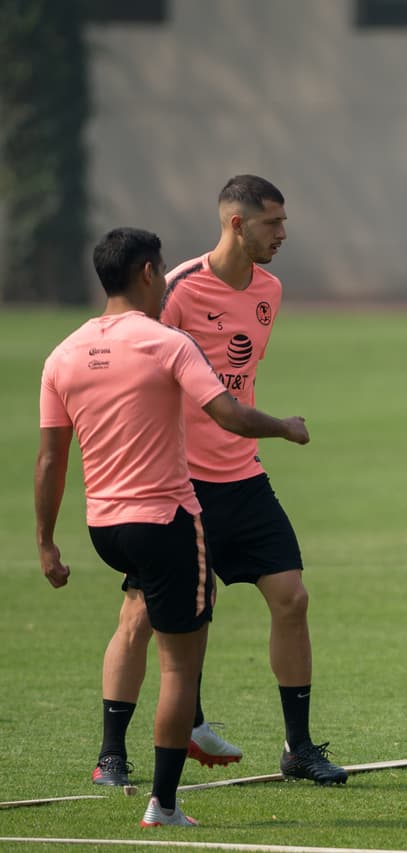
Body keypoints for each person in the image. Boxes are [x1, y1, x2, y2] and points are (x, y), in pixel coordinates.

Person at [38, 227, 310, 826]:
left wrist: (45, 543)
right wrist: (285, 426)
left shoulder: (64, 353)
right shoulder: (167, 342)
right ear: (146, 274)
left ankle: (121, 756)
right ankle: (163, 800)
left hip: (102, 525)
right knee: (179, 666)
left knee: (145, 617)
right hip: (166, 516)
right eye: (160, 271)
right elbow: (229, 414)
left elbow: (52, 460)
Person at [92, 175, 348, 789]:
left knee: (292, 598)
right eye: (273, 223)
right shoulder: (178, 286)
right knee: (141, 618)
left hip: (243, 478)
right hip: (181, 486)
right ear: (237, 223)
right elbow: (135, 353)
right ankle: (111, 755)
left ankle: (298, 748)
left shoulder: (270, 290)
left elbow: (239, 377)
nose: (283, 235)